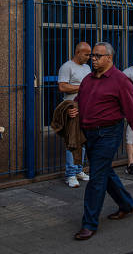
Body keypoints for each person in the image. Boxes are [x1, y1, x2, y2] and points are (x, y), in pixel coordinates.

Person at [69, 42, 133, 241]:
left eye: (97, 56)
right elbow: (79, 99)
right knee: (105, 172)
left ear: (109, 58)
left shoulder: (121, 80)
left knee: (96, 178)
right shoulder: (88, 80)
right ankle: (127, 204)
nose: (93, 58)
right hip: (89, 135)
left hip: (108, 134)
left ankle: (89, 224)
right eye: (92, 55)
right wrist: (74, 107)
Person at [57, 42, 91, 188]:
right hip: (71, 107)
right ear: (78, 52)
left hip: (84, 107)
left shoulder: (87, 67)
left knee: (82, 141)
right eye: (86, 54)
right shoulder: (67, 67)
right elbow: (62, 86)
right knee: (72, 141)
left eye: (90, 54)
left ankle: (78, 170)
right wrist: (82, 87)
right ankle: (70, 174)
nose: (89, 57)